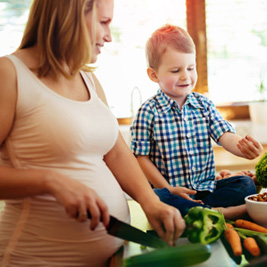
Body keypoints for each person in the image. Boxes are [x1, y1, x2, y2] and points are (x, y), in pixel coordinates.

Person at [0, 2, 186, 266]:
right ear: (71, 15)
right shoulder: (9, 74)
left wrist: (150, 201)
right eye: (103, 22)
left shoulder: (88, 80)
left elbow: (117, 152)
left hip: (110, 257)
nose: (108, 36)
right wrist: (51, 180)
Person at [130, 24, 263, 217]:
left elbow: (225, 135)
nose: (186, 76)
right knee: (156, 199)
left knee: (245, 184)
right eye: (175, 70)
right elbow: (141, 158)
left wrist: (243, 148)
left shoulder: (204, 105)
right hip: (171, 192)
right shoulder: (148, 112)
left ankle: (203, 211)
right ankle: (226, 212)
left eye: (191, 68)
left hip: (206, 188)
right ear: (154, 74)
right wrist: (167, 188)